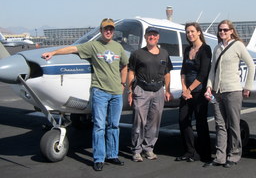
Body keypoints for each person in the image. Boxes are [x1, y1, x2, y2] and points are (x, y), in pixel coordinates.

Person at [41, 18, 128, 172]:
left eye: (111, 29)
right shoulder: (93, 46)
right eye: (106, 29)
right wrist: (53, 52)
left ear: (114, 32)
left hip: (116, 92)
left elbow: (125, 65)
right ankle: (99, 158)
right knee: (99, 126)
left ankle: (112, 155)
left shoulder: (118, 47)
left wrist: (122, 84)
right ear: (101, 31)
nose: (108, 31)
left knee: (114, 125)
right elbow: (72, 49)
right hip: (100, 91)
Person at [203, 19, 254, 168]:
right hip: (217, 92)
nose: (222, 32)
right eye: (220, 30)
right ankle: (220, 156)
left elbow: (251, 64)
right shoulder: (217, 48)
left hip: (233, 91)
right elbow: (213, 70)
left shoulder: (238, 45)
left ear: (231, 31)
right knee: (219, 125)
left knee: (233, 124)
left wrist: (247, 86)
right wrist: (209, 87)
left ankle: (234, 155)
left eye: (225, 30)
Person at [127, 26, 173, 162]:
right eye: (149, 35)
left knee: (154, 121)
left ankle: (149, 148)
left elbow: (167, 73)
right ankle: (136, 150)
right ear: (146, 37)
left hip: (158, 90)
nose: (152, 37)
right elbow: (131, 72)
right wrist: (130, 91)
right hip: (142, 89)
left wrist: (167, 90)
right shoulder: (137, 54)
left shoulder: (164, 53)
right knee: (139, 121)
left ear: (158, 37)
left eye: (154, 35)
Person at [175, 22, 212, 163]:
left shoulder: (206, 49)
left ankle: (205, 153)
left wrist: (190, 90)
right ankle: (190, 151)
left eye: (192, 31)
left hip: (199, 91)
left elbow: (203, 74)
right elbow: (183, 71)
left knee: (201, 122)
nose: (190, 34)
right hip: (187, 92)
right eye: (187, 32)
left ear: (198, 32)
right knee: (183, 120)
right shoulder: (187, 50)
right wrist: (184, 89)